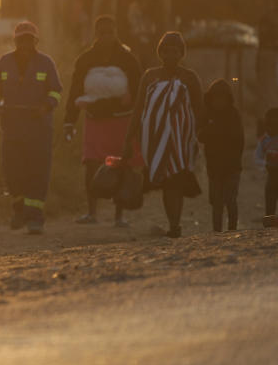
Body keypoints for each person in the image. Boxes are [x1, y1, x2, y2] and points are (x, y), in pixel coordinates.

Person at [123, 32, 204, 238]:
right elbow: (139, 109)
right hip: (153, 140)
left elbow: (200, 110)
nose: (170, 55)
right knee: (164, 180)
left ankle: (174, 225)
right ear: (160, 53)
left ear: (181, 53)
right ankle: (173, 223)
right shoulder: (150, 76)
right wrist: (128, 139)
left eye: (175, 51)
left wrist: (199, 138)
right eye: (166, 51)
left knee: (175, 181)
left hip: (181, 140)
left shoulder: (190, 77)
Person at [64, 15, 142, 227]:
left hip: (121, 121)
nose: (106, 36)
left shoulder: (127, 59)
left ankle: (119, 215)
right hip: (95, 120)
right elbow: (75, 91)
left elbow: (139, 85)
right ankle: (92, 213)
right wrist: (69, 121)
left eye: (110, 32)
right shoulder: (85, 60)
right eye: (102, 32)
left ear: (115, 33)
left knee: (121, 165)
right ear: (96, 34)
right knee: (91, 164)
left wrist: (132, 98)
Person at [0, 21, 63, 234]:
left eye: (29, 39)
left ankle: (35, 217)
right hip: (12, 126)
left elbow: (56, 91)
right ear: (16, 41)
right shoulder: (4, 62)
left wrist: (46, 106)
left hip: (39, 128)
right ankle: (19, 210)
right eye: (21, 39)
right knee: (13, 170)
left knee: (37, 172)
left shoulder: (46, 63)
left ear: (35, 41)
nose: (25, 43)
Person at [199, 80, 244, 232]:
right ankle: (217, 232)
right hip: (214, 168)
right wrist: (211, 128)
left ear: (228, 98)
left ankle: (232, 229)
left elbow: (239, 140)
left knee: (230, 200)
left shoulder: (233, 114)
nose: (218, 101)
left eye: (222, 98)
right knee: (216, 203)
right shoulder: (207, 115)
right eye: (215, 98)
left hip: (232, 167)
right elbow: (200, 136)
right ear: (210, 99)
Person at [254, 107, 278, 219]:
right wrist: (265, 163)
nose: (270, 128)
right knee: (270, 206)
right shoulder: (264, 140)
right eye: (269, 125)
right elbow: (257, 157)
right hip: (271, 175)